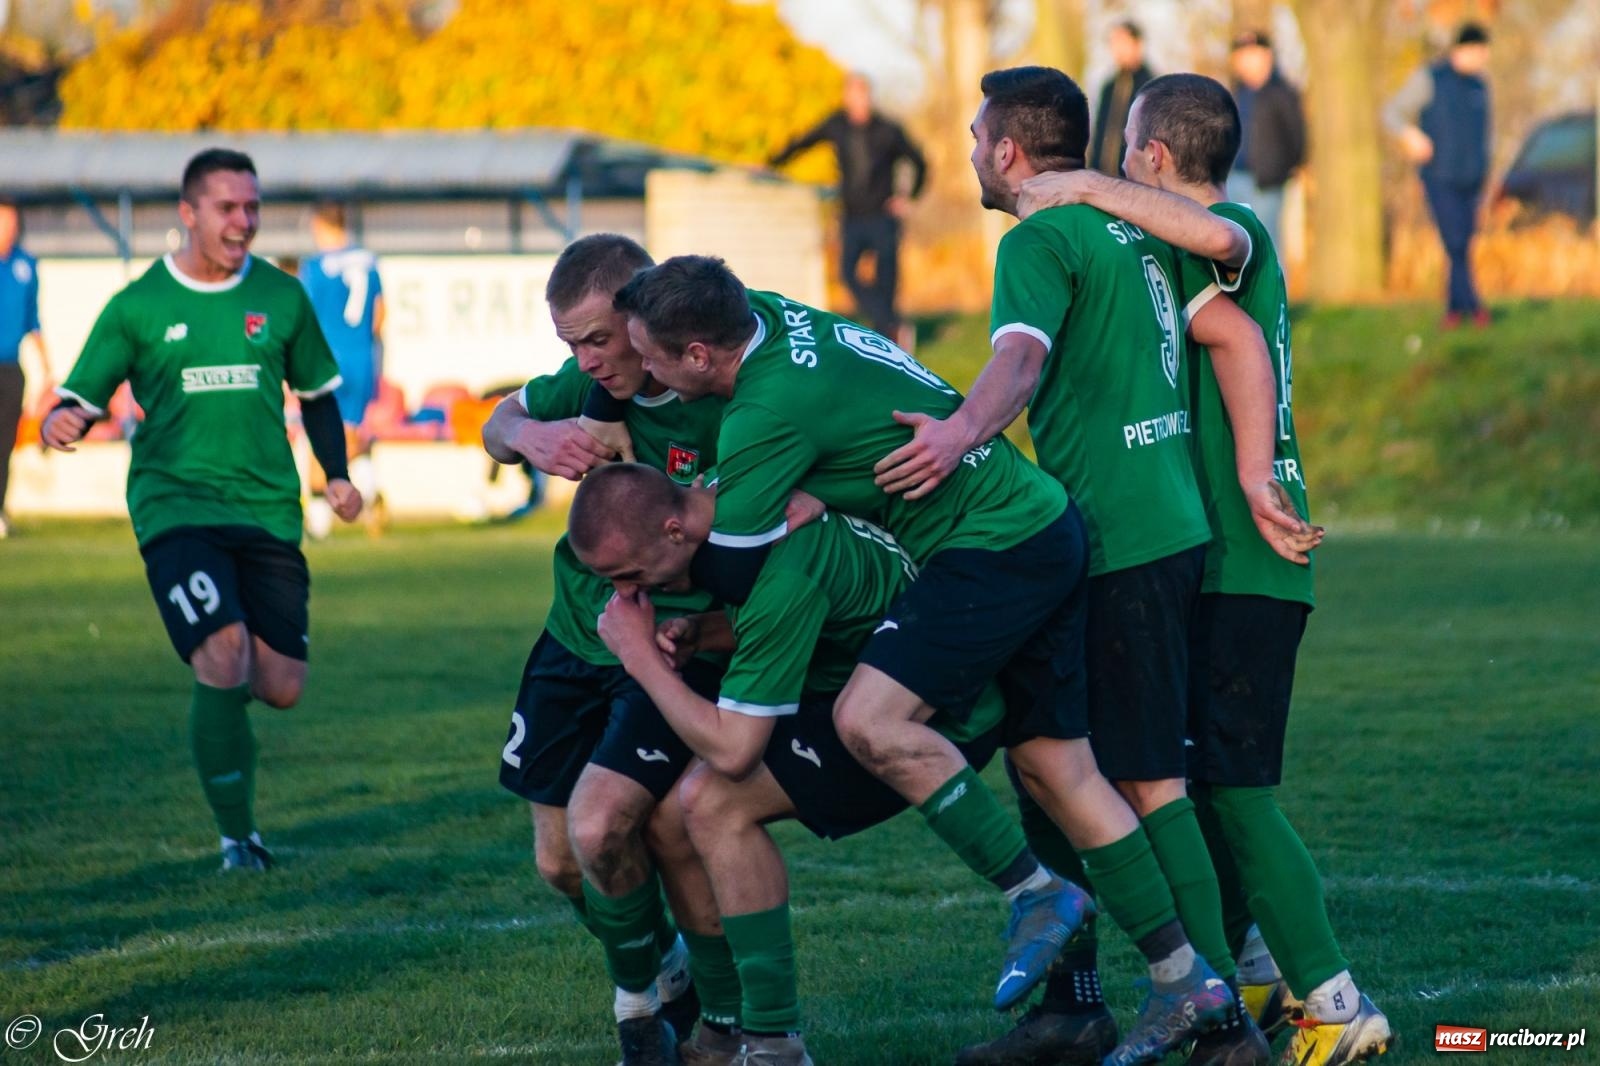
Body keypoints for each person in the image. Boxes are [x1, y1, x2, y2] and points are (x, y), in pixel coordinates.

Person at [609, 256, 1237, 1066]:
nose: (640, 379)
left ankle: (1036, 893)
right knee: (1057, 770)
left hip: (987, 547)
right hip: (1036, 521)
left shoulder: (761, 412)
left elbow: (727, 565)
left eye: (648, 359)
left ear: (699, 354)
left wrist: (651, 636)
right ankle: (1190, 987)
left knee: (868, 718)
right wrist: (821, 488)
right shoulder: (758, 313)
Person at [871, 66, 1317, 1066]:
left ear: (1008, 150)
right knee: (1051, 753)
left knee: (1144, 776)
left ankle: (1213, 1014)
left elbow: (1018, 361)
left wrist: (956, 434)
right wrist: (1249, 473)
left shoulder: (1037, 237)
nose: (972, 148)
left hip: (1115, 538)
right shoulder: (1137, 230)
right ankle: (1077, 1009)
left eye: (978, 133)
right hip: (1155, 528)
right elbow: (1233, 331)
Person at [1011, 73, 1392, 1066]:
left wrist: (1257, 477)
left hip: (1248, 559)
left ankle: (1335, 1000)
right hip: (1213, 556)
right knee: (1194, 779)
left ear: (1152, 159)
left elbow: (1232, 322)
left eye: (1126, 150)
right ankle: (1251, 975)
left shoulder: (1231, 230)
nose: (1116, 167)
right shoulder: (1169, 263)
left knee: (1232, 788)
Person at [573, 463, 1009, 1066]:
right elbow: (800, 617)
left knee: (712, 801)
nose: (624, 594)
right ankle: (723, 1032)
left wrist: (640, 655)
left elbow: (734, 749)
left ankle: (776, 1045)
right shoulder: (737, 502)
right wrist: (704, 631)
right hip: (863, 685)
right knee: (671, 817)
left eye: (627, 574)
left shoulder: (783, 570)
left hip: (927, 717)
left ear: (674, 531)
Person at [41, 148, 363, 872]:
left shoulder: (282, 298)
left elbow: (317, 396)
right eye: (227, 207)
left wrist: (336, 477)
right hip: (176, 506)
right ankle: (238, 839)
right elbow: (82, 394)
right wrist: (62, 420)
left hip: (268, 511)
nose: (244, 221)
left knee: (279, 685)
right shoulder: (139, 306)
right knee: (224, 653)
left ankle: (222, 708)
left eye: (252, 207)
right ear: (189, 214)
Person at [480, 234, 738, 1066]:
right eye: (571, 345)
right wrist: (532, 440)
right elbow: (497, 422)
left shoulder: (722, 390)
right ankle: (667, 972)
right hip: (570, 637)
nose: (587, 362)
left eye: (598, 339)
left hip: (667, 646)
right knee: (559, 863)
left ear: (644, 314)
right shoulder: (586, 385)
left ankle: (644, 1017)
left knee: (610, 830)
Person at [768, 72, 927, 343]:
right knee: (848, 274)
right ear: (846, 97)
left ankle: (886, 339)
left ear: (868, 96)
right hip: (853, 217)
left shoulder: (887, 130)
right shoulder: (836, 125)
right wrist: (772, 162)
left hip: (883, 216)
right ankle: (892, 325)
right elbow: (804, 142)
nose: (856, 101)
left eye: (861, 95)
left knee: (887, 280)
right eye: (851, 95)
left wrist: (907, 197)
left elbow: (919, 162)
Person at [1385, 23, 1492, 329]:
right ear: (1463, 49)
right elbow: (1392, 113)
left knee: (1461, 243)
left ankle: (1455, 309)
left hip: (1472, 178)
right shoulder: (1430, 79)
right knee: (1455, 240)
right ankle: (1473, 305)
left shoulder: (1480, 87)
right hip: (1439, 175)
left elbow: (1485, 137)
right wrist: (1411, 136)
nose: (1483, 57)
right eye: (1479, 50)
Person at [298, 200, 386, 537]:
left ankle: (320, 520)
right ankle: (370, 487)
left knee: (319, 433)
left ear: (321, 227)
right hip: (360, 358)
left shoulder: (316, 267)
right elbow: (379, 316)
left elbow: (304, 318)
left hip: (326, 359)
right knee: (350, 432)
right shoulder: (368, 261)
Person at [1226, 31, 1306, 262]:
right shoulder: (1236, 92)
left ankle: (1276, 297)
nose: (1243, 61)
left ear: (1266, 55)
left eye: (1249, 55)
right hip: (1234, 178)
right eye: (1240, 55)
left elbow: (1296, 137)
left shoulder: (1281, 92)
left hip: (1266, 184)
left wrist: (1282, 171)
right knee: (1238, 245)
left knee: (1268, 244)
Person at [0, 196, 52, 539]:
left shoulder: (26, 265)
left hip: (9, 367)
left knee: (4, 444)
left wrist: (47, 370)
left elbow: (34, 321)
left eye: (10, 221)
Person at [1090, 20, 1154, 177]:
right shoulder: (1109, 86)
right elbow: (1100, 131)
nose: (1116, 49)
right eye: (1113, 43)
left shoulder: (1151, 86)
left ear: (1137, 44)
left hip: (1135, 180)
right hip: (1103, 175)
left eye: (1122, 42)